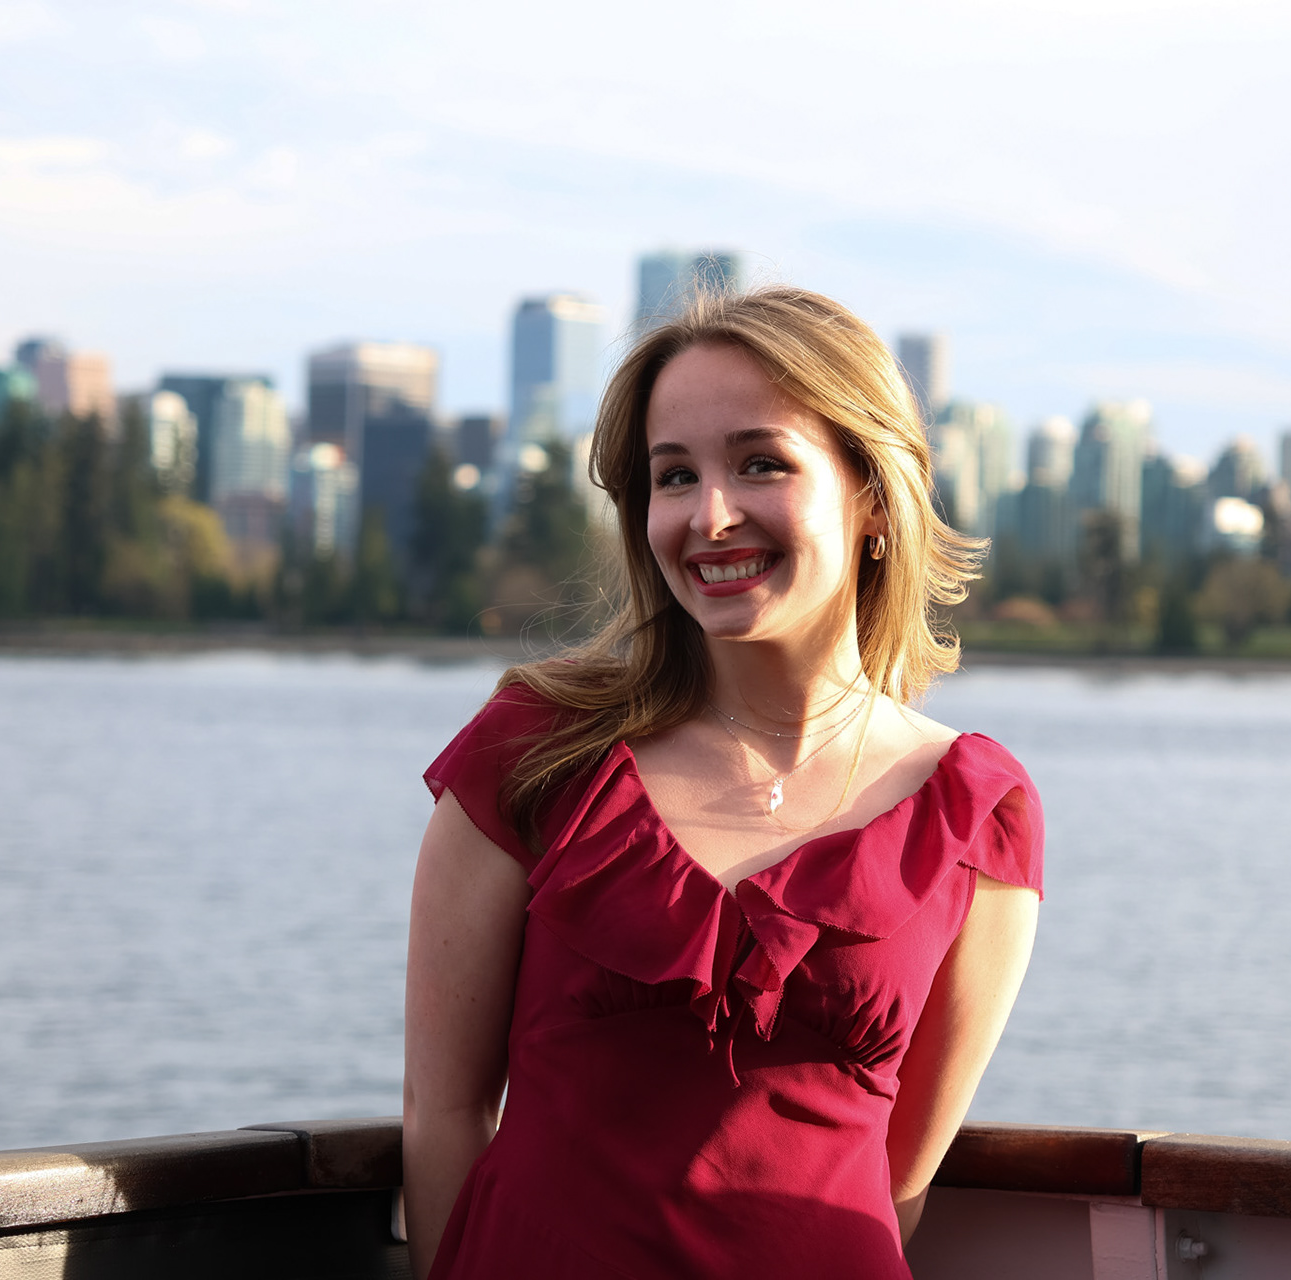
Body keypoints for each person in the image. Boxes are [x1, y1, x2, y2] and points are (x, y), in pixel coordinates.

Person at [403, 287, 1042, 1279]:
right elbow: (442, 1115)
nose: (710, 516)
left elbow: (900, 1177)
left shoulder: (976, 816)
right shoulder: (531, 754)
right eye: (674, 476)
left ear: (873, 494)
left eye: (761, 463)